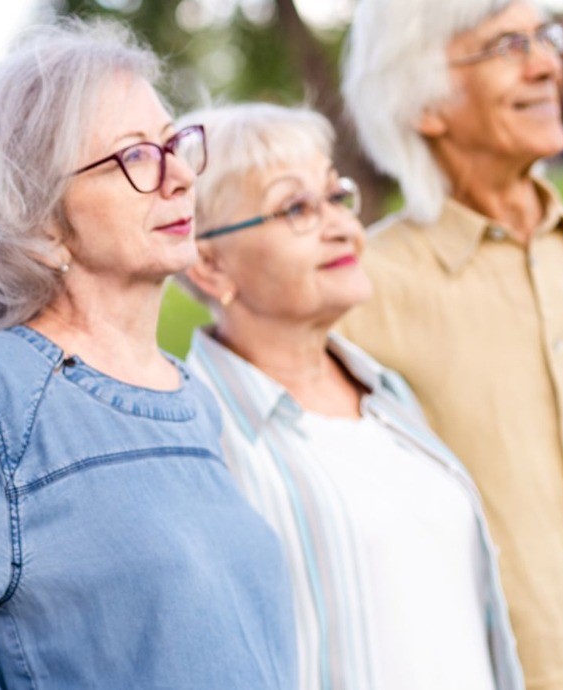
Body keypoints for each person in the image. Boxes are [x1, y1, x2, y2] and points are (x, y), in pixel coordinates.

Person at [0, 22, 295, 689]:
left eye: (174, 144)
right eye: (135, 156)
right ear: (38, 219)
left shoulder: (190, 397)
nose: (179, 177)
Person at [340, 2, 563, 687]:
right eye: (509, 45)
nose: (547, 65)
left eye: (545, 37)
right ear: (423, 103)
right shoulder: (361, 297)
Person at [174, 103, 522, 690]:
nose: (341, 226)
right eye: (296, 208)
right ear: (209, 264)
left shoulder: (387, 394)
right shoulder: (196, 436)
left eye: (336, 196)